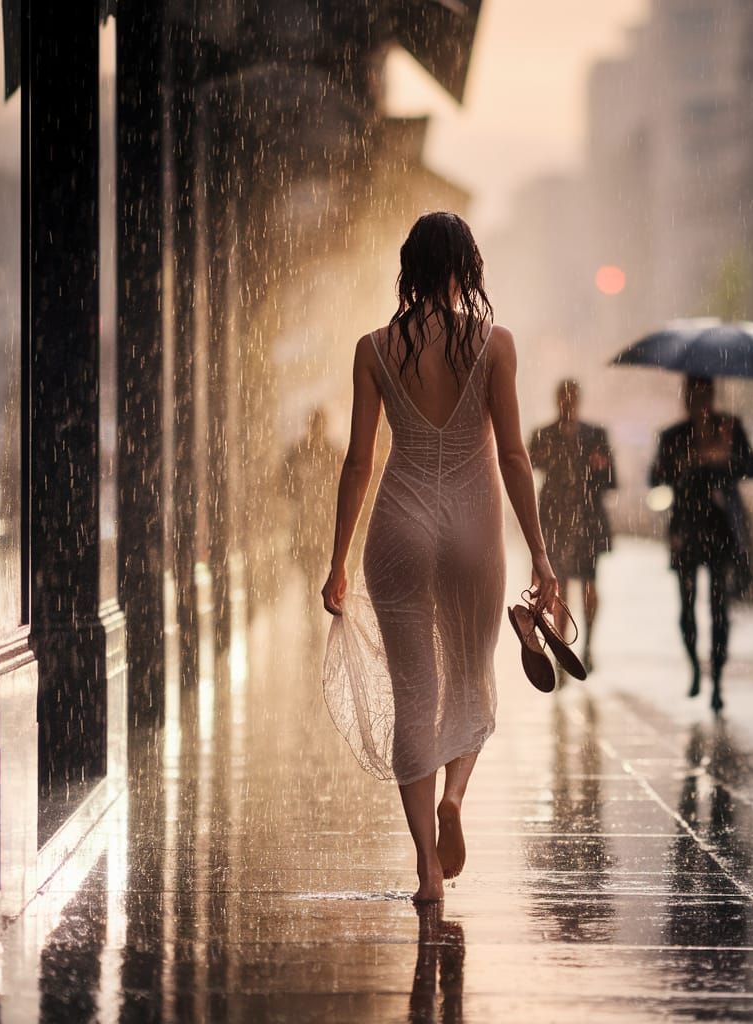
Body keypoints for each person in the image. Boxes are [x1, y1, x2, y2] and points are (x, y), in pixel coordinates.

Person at [321, 212, 558, 903]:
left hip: (397, 524)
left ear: (410, 269)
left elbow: (358, 462)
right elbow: (513, 455)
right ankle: (455, 796)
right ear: (467, 269)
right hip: (472, 528)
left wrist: (337, 559)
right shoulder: (495, 344)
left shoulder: (374, 347)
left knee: (413, 696)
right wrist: (540, 554)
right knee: (469, 678)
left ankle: (427, 868)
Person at [650, 375, 753, 712]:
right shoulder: (674, 435)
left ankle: (718, 678)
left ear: (712, 396)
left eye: (704, 395)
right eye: (693, 396)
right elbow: (656, 477)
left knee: (719, 606)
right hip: (686, 527)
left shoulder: (729, 426)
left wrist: (723, 457)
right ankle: (696, 667)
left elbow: (752, 467)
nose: (699, 402)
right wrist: (687, 461)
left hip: (720, 524)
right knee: (687, 605)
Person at [529, 380, 617, 675]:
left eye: (572, 398)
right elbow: (530, 467)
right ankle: (562, 649)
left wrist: (599, 466)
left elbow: (610, 481)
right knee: (559, 586)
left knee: (588, 584)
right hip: (555, 522)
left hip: (587, 521)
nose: (568, 403)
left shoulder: (595, 435)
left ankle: (587, 645)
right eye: (564, 398)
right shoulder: (544, 434)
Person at [282, 407, 341, 597]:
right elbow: (285, 487)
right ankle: (313, 609)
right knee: (312, 572)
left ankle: (314, 609)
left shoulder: (326, 453)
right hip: (311, 524)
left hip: (318, 524)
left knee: (315, 571)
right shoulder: (304, 453)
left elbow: (286, 488)